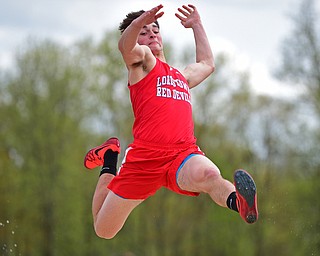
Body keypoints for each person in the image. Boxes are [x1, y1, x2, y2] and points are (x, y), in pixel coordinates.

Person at [84, 4, 258, 239]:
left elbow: (207, 64)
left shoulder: (180, 77)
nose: (151, 33)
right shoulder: (142, 63)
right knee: (104, 230)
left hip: (181, 155)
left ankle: (240, 204)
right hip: (144, 161)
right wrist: (138, 23)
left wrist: (197, 24)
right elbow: (125, 47)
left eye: (155, 29)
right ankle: (109, 157)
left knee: (209, 175)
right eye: (144, 32)